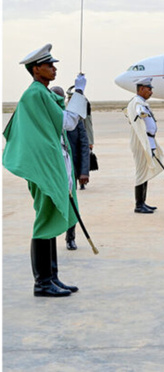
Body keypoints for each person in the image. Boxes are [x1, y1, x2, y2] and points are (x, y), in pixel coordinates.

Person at [3, 44, 87, 297]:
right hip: (44, 168)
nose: (54, 69)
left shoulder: (43, 93)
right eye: (49, 65)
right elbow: (68, 122)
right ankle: (42, 282)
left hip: (52, 164)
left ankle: (52, 277)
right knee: (44, 222)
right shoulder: (36, 94)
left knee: (50, 220)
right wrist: (80, 92)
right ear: (36, 69)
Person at [51, 86, 90, 251]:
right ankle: (50, 236)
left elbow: (84, 146)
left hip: (70, 170)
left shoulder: (74, 120)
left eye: (61, 99)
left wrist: (84, 171)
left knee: (72, 204)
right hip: (53, 171)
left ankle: (70, 238)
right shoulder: (49, 119)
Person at [126, 77, 164, 214]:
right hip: (141, 142)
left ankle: (143, 202)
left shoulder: (140, 102)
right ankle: (138, 204)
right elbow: (138, 112)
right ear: (141, 89)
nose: (151, 92)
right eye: (149, 89)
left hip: (148, 141)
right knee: (141, 172)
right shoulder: (137, 102)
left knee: (146, 171)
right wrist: (140, 113)